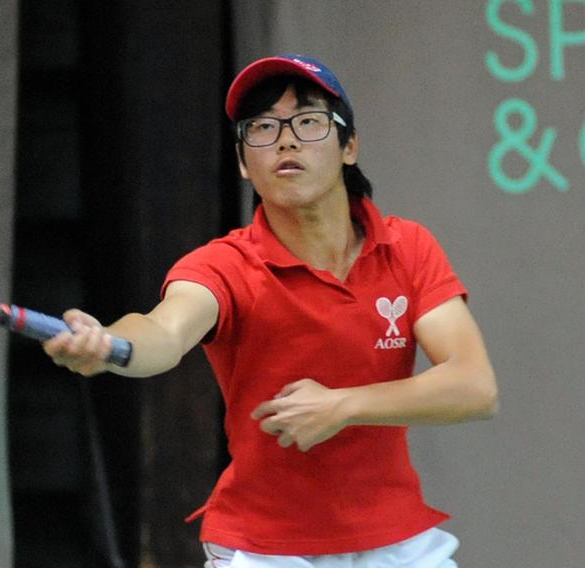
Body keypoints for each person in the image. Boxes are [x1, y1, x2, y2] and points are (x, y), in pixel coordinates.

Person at [43, 54, 498, 567]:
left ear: (349, 146)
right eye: (261, 128)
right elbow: (161, 332)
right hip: (264, 550)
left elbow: (474, 387)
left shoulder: (408, 247)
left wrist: (341, 406)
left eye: (307, 121)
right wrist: (108, 345)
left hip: (397, 540)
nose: (285, 140)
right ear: (242, 163)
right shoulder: (225, 265)